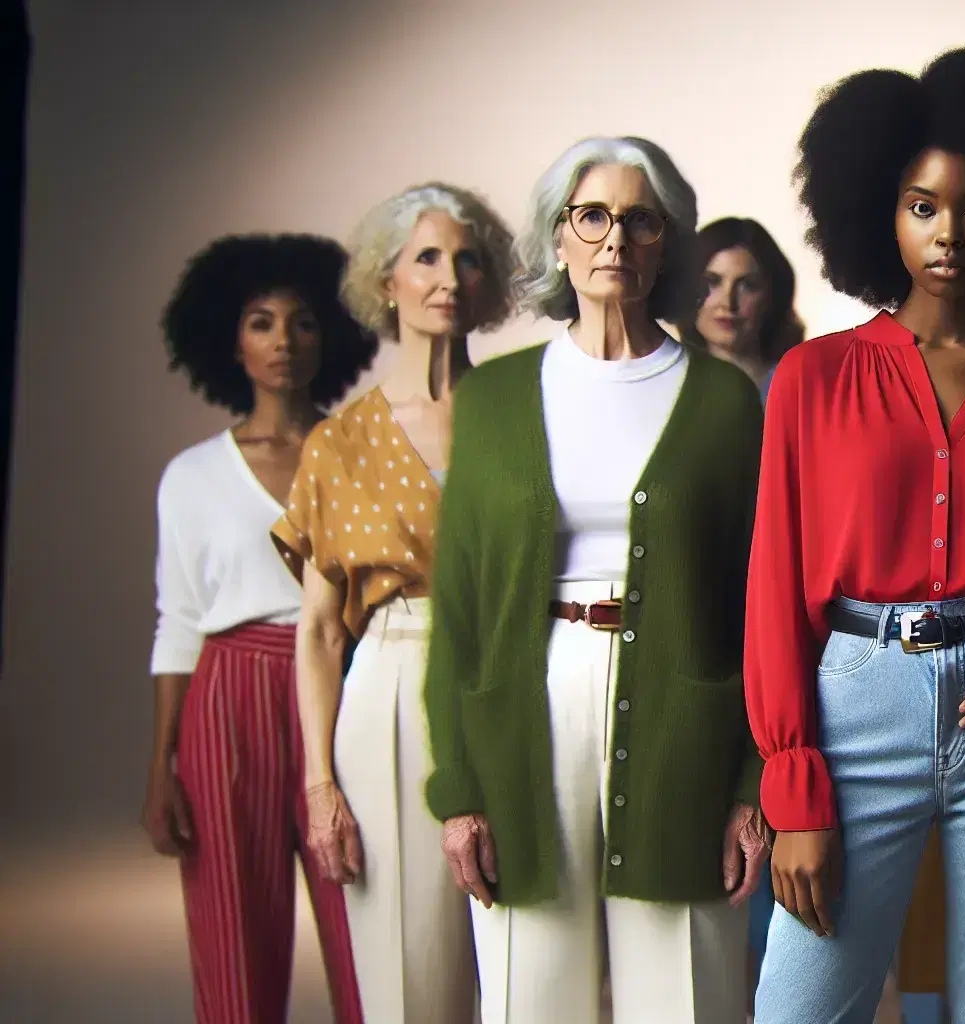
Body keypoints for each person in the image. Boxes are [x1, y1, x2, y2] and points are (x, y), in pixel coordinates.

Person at [746, 46, 965, 1024]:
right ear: (879, 209)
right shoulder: (812, 381)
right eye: (922, 205)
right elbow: (776, 593)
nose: (949, 232)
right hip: (858, 698)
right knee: (800, 1006)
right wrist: (792, 789)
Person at [422, 136, 768, 1024]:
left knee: (688, 993)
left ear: (667, 242)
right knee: (528, 990)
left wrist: (750, 782)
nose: (615, 239)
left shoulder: (727, 403)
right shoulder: (495, 401)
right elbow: (457, 608)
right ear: (558, 237)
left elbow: (759, 607)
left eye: (639, 219)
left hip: (686, 718)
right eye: (593, 216)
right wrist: (458, 790)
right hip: (529, 706)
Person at [270, 183, 516, 1023]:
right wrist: (318, 785)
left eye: (468, 258)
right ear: (387, 281)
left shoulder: (535, 412)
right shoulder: (339, 442)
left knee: (535, 956)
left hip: (521, 678)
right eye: (428, 258)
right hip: (392, 688)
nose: (450, 277)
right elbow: (314, 632)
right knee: (409, 969)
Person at [145, 233, 375, 1024]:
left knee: (368, 933)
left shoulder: (363, 455)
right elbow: (176, 621)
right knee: (234, 943)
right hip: (227, 697)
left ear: (333, 334)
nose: (283, 340)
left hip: (343, 690)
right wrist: (162, 763)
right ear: (228, 339)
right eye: (260, 321)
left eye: (304, 321)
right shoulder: (193, 476)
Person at [674, 216, 803, 401]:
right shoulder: (662, 385)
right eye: (711, 282)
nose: (728, 303)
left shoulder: (801, 389)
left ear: (773, 295)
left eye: (748, 285)